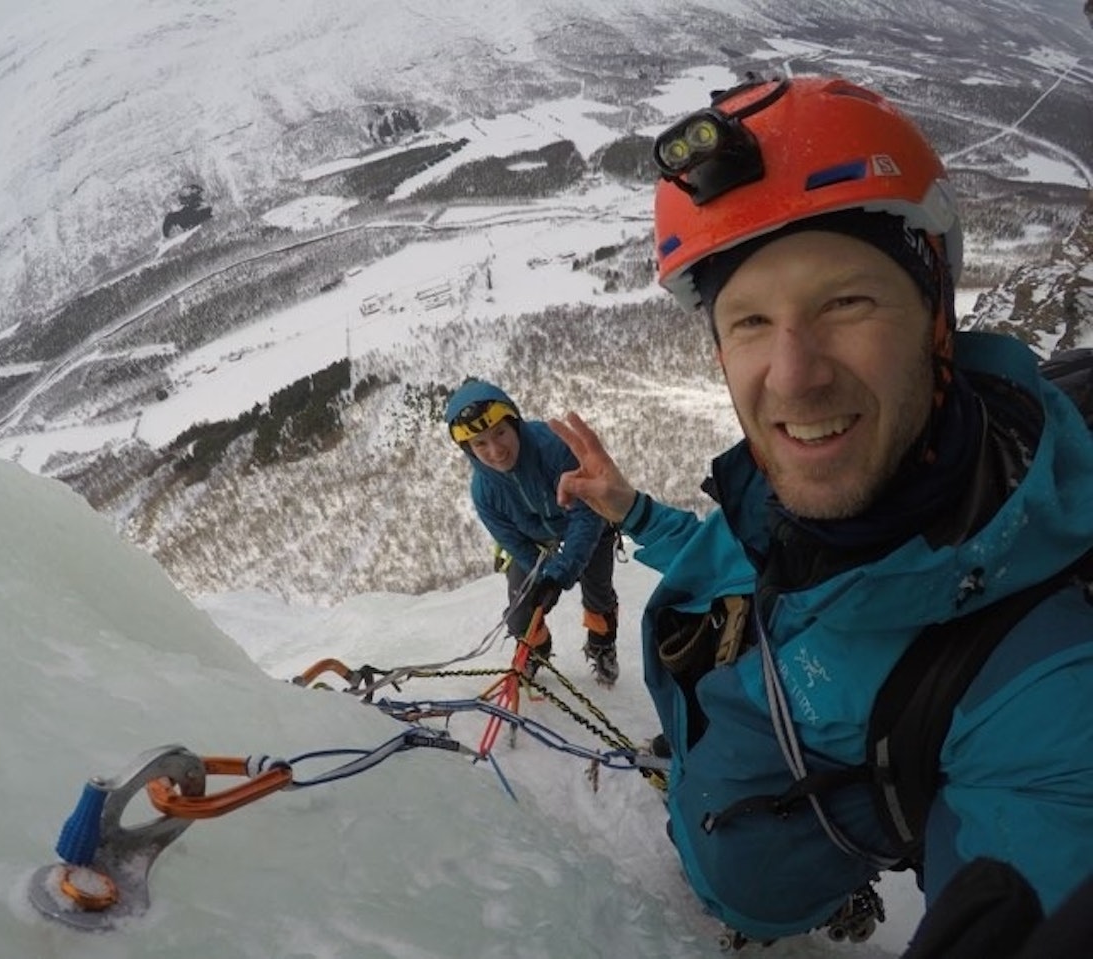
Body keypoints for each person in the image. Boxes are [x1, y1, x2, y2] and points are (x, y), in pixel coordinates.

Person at [547, 73, 1093, 948]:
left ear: (935, 316)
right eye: (752, 320)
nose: (794, 375)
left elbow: (1049, 838)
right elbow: (740, 560)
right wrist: (634, 513)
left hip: (776, 883)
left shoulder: (1037, 675)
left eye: (845, 301)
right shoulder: (803, 488)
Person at [445, 379, 620, 684]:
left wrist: (561, 573)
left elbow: (587, 513)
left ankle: (601, 645)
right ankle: (537, 648)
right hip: (535, 542)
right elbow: (512, 541)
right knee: (520, 613)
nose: (496, 451)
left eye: (500, 433)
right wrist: (544, 576)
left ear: (516, 425)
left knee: (599, 598)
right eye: (480, 443)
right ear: (469, 449)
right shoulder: (483, 491)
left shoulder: (552, 448)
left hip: (586, 526)